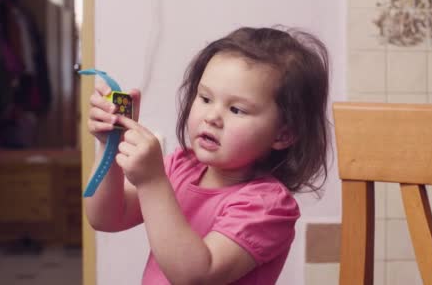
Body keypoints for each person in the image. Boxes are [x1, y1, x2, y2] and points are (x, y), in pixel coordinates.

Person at [85, 27, 331, 284]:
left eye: (236, 109)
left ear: (283, 134)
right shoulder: (180, 167)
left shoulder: (267, 206)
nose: (212, 117)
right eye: (205, 98)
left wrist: (152, 181)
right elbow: (106, 217)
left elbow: (196, 275)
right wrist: (110, 145)